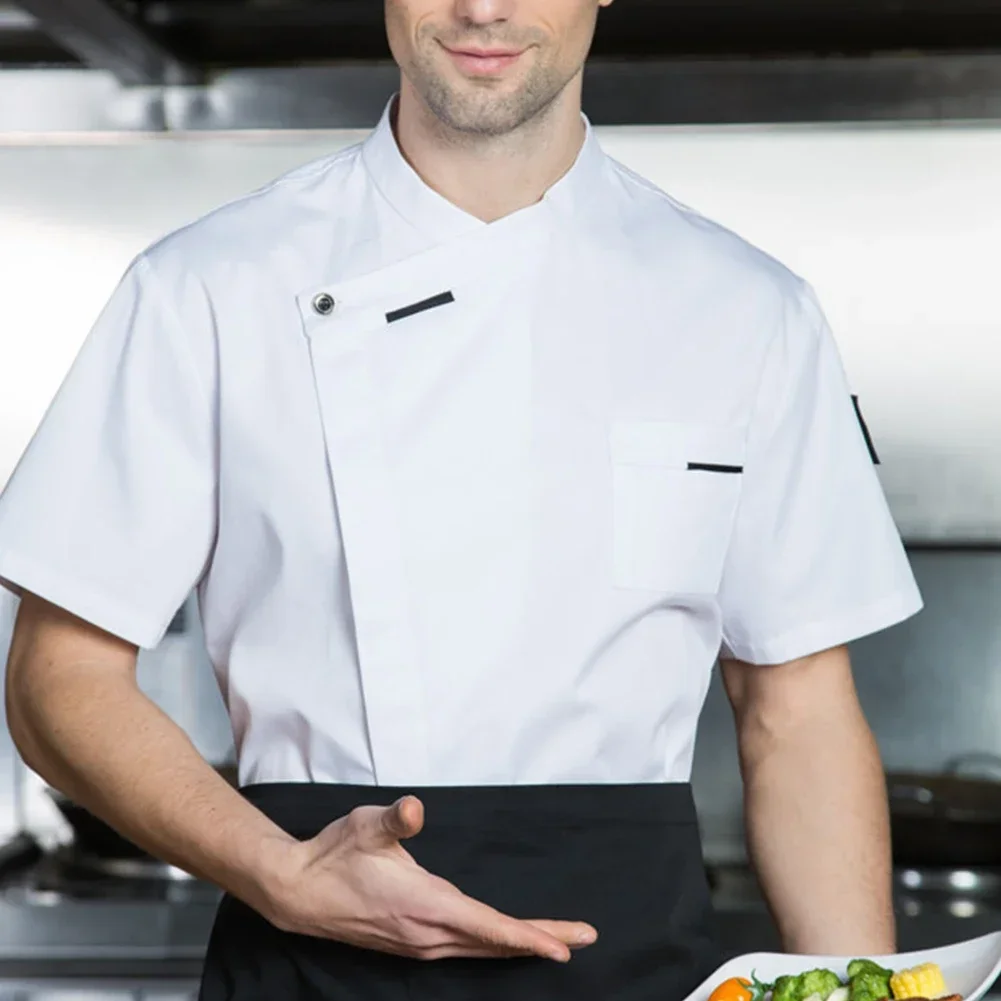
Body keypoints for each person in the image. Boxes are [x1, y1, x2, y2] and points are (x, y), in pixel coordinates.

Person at [0, 1, 923, 998]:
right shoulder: (207, 284)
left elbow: (797, 714)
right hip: (310, 963)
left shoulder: (744, 306)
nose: (485, 7)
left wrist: (856, 987)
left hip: (631, 963)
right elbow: (61, 679)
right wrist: (278, 869)